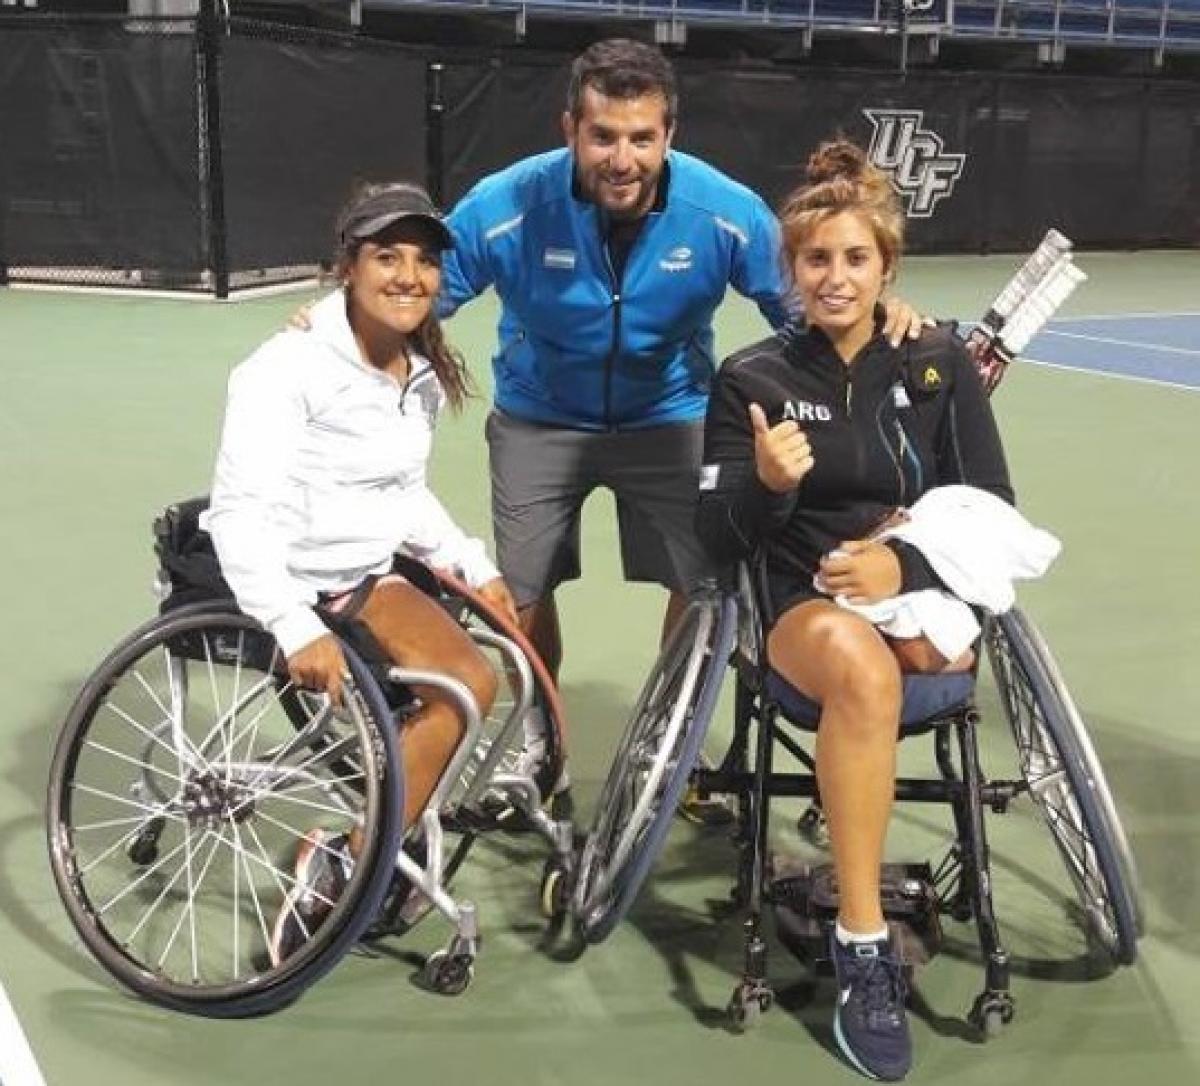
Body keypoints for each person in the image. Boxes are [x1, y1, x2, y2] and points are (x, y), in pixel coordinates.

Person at [438, 38, 925, 804]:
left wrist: (879, 313)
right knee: (522, 592)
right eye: (603, 136)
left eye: (641, 137)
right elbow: (415, 292)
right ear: (571, 129)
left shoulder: (722, 212)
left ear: (670, 134)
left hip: (671, 418)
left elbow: (807, 302)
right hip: (538, 419)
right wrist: (333, 328)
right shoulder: (506, 207)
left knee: (700, 587)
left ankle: (668, 738)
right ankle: (540, 741)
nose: (621, 157)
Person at [695, 140, 1012, 1081]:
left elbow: (993, 505)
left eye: (856, 258)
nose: (835, 278)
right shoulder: (749, 377)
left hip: (914, 593)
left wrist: (902, 560)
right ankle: (864, 945)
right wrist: (764, 486)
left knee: (905, 662)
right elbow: (718, 540)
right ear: (789, 269)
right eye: (816, 259)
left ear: (887, 267)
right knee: (865, 673)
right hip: (803, 605)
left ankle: (862, 906)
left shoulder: (938, 363)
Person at [203, 182, 515, 963]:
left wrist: (471, 564)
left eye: (424, 260)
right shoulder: (283, 369)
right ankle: (346, 859)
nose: (409, 275)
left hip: (365, 576)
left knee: (481, 680)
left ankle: (378, 835)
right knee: (456, 694)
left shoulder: (414, 371)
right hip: (296, 586)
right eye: (387, 256)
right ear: (348, 266)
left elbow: (400, 496)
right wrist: (291, 623)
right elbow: (236, 514)